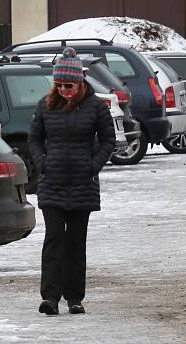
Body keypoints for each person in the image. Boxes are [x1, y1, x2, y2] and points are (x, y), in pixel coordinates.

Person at [28, 47, 116, 316]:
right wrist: (42, 164)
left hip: (82, 184)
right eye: (60, 85)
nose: (65, 90)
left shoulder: (96, 106)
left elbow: (108, 140)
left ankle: (74, 297)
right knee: (54, 240)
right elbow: (33, 138)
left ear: (80, 83)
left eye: (69, 85)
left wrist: (93, 166)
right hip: (52, 183)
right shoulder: (46, 105)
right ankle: (50, 298)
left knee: (76, 243)